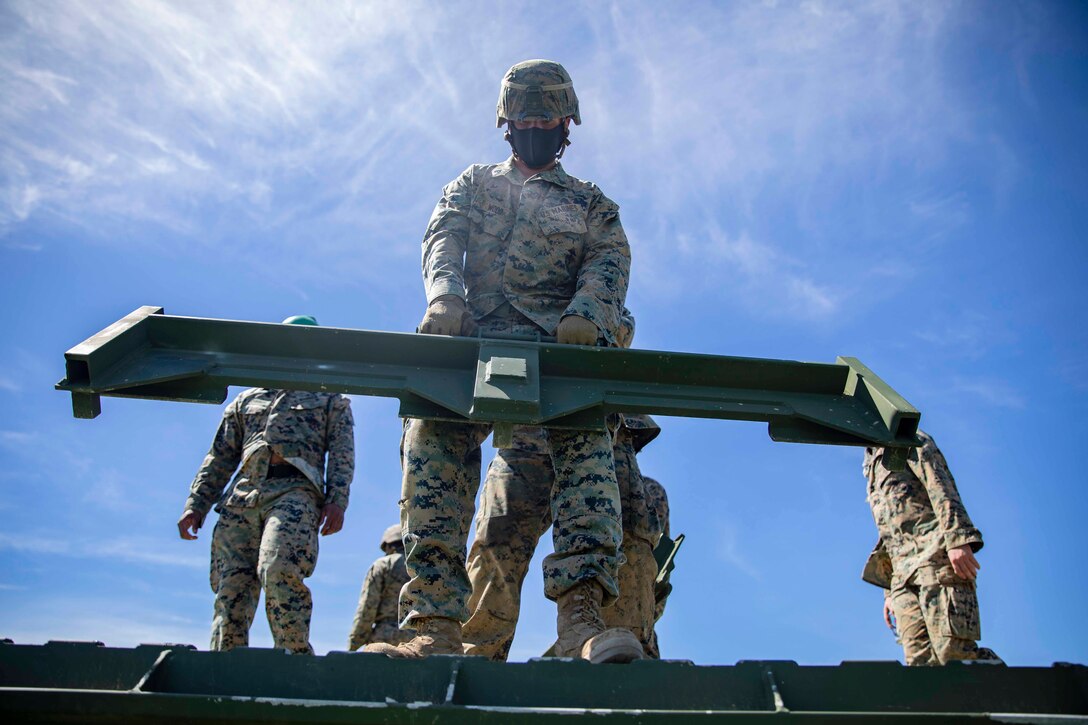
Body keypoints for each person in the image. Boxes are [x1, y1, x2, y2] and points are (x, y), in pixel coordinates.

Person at [365, 59, 639, 663]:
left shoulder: (593, 205)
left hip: (560, 346)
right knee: (432, 451)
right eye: (525, 115)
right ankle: (432, 626)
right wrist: (445, 297)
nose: (535, 124)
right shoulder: (472, 184)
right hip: (472, 337)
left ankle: (580, 624)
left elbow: (609, 261)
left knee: (588, 456)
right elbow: (444, 238)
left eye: (547, 116)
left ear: (567, 124)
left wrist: (588, 313)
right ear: (506, 122)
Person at [177, 315, 355, 654]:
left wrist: (337, 500)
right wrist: (195, 505)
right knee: (232, 586)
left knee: (278, 569)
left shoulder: (329, 398)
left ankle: (293, 661)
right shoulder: (247, 400)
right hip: (241, 498)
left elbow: (343, 453)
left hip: (294, 494)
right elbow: (220, 457)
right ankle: (225, 669)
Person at [460, 413, 665, 661]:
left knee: (624, 544)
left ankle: (613, 655)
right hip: (525, 418)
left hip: (604, 422)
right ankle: (476, 652)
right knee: (498, 538)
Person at [861, 429, 1001, 665]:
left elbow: (940, 485)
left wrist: (958, 539)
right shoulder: (871, 462)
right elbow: (889, 526)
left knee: (954, 655)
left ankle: (1019, 693)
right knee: (919, 667)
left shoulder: (907, 438)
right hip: (902, 575)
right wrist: (889, 589)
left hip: (935, 561)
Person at [348, 524, 411, 651]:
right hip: (417, 639)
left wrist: (354, 644)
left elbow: (367, 608)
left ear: (388, 545)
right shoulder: (420, 567)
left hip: (385, 637)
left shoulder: (382, 565)